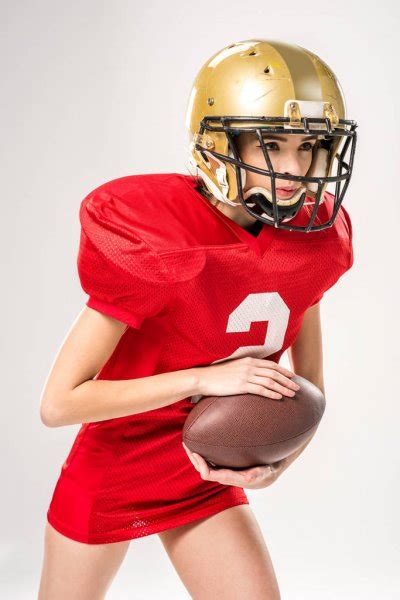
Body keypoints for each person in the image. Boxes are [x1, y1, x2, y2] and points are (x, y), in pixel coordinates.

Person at [38, 39, 357, 599]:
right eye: (272, 145)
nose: (294, 168)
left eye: (309, 147)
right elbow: (59, 403)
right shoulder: (155, 233)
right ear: (219, 142)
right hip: (117, 465)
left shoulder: (310, 241)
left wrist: (277, 462)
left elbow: (312, 391)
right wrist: (203, 379)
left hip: (208, 466)